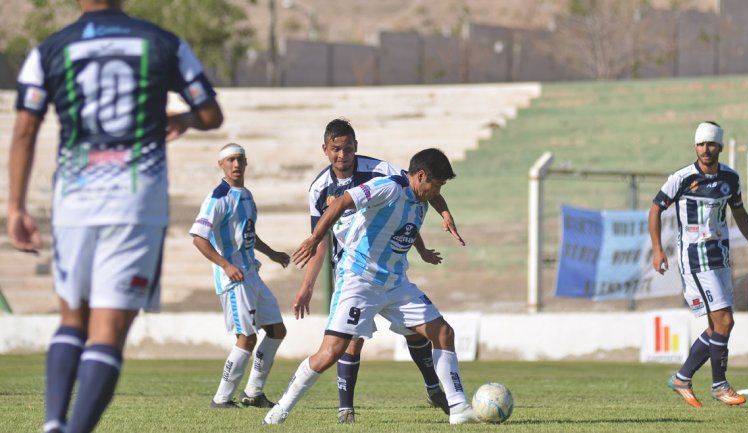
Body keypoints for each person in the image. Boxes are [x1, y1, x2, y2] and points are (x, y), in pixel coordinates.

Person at [6, 1, 223, 431]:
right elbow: (211, 114)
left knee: (73, 319)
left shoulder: (50, 49)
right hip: (135, 200)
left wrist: (14, 207)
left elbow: (24, 130)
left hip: (75, 199)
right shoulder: (163, 42)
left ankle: (53, 423)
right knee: (108, 328)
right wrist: (183, 119)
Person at [265, 148, 478, 425]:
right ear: (421, 176)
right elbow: (341, 201)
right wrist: (315, 238)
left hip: (395, 283)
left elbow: (404, 228)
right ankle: (280, 410)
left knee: (443, 332)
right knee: (331, 353)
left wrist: (427, 244)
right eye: (436, 185)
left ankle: (459, 409)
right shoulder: (387, 187)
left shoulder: (421, 199)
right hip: (359, 280)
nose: (438, 192)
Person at [649, 121, 748, 408]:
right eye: (701, 144)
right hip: (694, 259)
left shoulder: (731, 178)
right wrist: (657, 250)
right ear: (695, 147)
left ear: (720, 147)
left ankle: (682, 377)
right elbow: (655, 210)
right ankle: (719, 385)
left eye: (711, 144)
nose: (705, 149)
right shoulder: (681, 178)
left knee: (720, 326)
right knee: (724, 320)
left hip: (720, 258)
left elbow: (739, 212)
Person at [190, 143, 291, 409]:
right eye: (230, 160)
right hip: (233, 278)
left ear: (246, 163)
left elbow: (247, 233)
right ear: (221, 165)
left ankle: (254, 393)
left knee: (277, 330)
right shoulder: (217, 197)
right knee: (246, 338)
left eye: (240, 160)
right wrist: (225, 265)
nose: (236, 165)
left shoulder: (245, 194)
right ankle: (221, 398)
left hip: (251, 273)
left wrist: (272, 253)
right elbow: (198, 238)